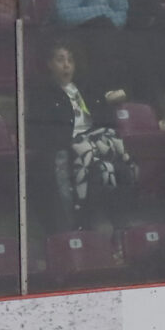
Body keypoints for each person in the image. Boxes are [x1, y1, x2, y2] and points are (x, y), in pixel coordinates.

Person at [29, 42, 136, 234]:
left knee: (116, 166)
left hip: (92, 141)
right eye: (60, 60)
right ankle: (81, 227)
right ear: (49, 64)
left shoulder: (83, 89)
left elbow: (101, 118)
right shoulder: (43, 93)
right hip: (69, 145)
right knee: (94, 166)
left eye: (70, 60)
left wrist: (108, 100)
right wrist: (71, 142)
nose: (66, 65)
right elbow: (43, 130)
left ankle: (121, 229)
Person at [53, 0, 127, 87]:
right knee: (101, 26)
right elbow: (64, 15)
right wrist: (102, 11)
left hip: (111, 33)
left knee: (141, 42)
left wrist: (109, 18)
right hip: (73, 36)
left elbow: (122, 12)